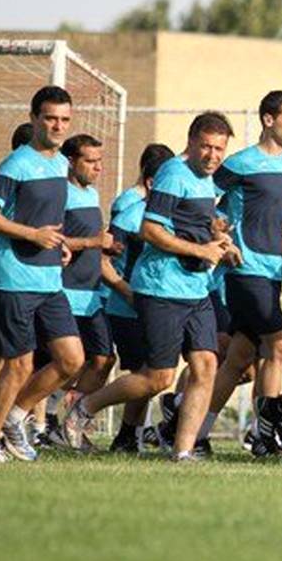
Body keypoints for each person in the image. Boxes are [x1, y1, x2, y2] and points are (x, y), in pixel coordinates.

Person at [64, 112, 240, 461]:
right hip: (162, 289)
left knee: (206, 365)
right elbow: (151, 230)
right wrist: (200, 250)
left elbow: (192, 222)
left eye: (219, 149)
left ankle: (183, 452)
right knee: (158, 378)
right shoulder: (173, 174)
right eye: (206, 147)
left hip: (195, 288)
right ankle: (84, 406)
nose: (213, 155)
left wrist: (219, 239)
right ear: (191, 142)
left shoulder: (205, 179)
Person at [0, 87, 84, 463]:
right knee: (19, 364)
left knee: (71, 359)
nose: (58, 126)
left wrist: (59, 243)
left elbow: (46, 218)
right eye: (50, 118)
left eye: (64, 119)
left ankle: (13, 416)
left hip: (48, 279)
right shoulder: (17, 164)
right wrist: (32, 235)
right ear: (34, 118)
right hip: (12, 279)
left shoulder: (61, 164)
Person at [206, 91, 282, 456]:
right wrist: (219, 234)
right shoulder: (240, 163)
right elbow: (204, 202)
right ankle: (265, 435)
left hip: (274, 271)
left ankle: (191, 429)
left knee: (239, 358)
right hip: (244, 270)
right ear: (268, 120)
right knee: (281, 345)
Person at [103, 144, 176, 452]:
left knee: (152, 374)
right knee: (145, 374)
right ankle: (85, 411)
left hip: (161, 307)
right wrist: (128, 293)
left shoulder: (174, 217)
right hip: (126, 309)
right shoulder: (130, 216)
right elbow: (102, 263)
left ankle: (129, 435)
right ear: (152, 183)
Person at [59, 135, 116, 418]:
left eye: (99, 161)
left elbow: (93, 239)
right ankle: (44, 419)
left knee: (104, 359)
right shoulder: (60, 194)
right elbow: (51, 240)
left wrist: (106, 246)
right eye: (90, 161)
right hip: (65, 292)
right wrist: (93, 242)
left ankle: (73, 416)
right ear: (71, 161)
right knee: (63, 361)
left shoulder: (92, 195)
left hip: (92, 295)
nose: (98, 168)